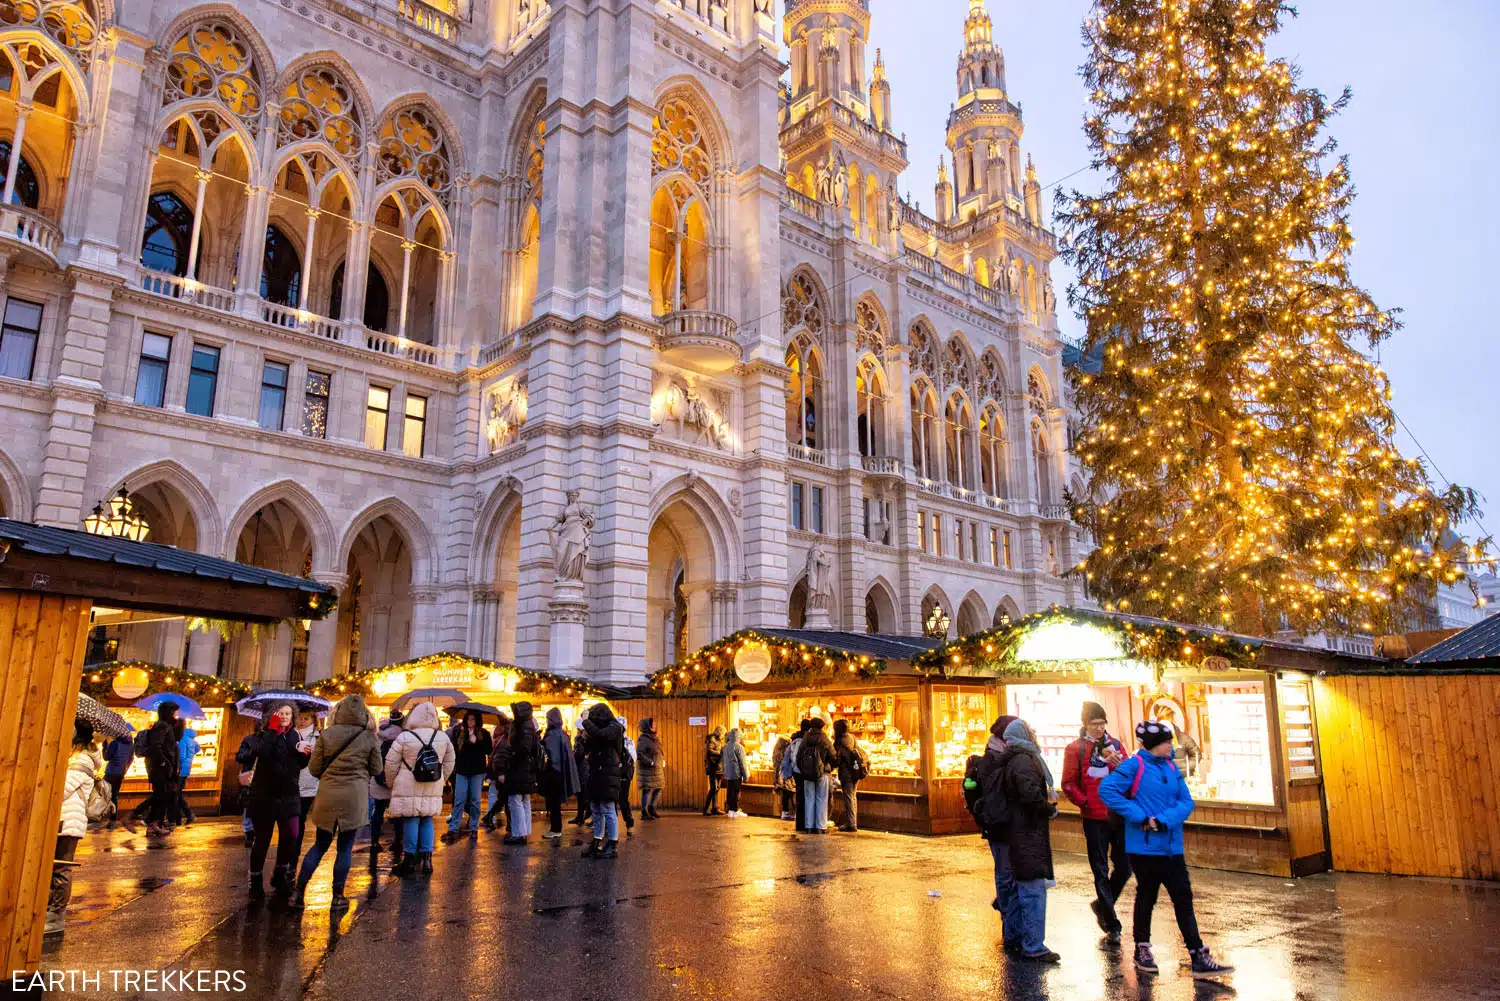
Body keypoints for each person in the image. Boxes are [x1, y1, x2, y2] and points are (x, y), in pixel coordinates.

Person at [1099, 720, 1235, 979]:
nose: (1170, 746)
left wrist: (1164, 820)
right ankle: (1142, 948)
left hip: (1172, 846)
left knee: (1183, 898)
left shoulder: (1171, 766)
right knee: (1147, 896)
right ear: (1153, 745)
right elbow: (1107, 790)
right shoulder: (1134, 765)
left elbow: (1186, 801)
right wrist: (1140, 816)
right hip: (1145, 847)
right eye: (1165, 742)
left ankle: (1197, 954)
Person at [292, 694, 382, 912]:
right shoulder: (369, 737)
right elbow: (377, 768)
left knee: (320, 845)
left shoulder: (327, 734)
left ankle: (298, 893)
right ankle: (338, 897)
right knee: (345, 847)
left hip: (328, 795)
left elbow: (314, 768)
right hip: (354, 796)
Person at [1062, 701, 1129, 942]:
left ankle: (1101, 905)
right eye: (1094, 724)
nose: (1099, 728)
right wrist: (1085, 802)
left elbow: (1129, 777)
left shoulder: (1116, 746)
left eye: (1102, 723)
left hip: (1117, 814)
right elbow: (1068, 783)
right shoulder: (1076, 749)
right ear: (1085, 724)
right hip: (1094, 818)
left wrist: (1122, 767)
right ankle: (1112, 924)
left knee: (1125, 866)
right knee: (1100, 870)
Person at [997, 718, 1060, 963]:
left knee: (1019, 887)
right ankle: (1033, 945)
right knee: (1032, 889)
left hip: (1018, 831)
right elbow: (1030, 795)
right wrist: (1048, 809)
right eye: (1030, 731)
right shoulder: (1023, 760)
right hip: (1027, 831)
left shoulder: (1014, 758)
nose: (1034, 734)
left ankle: (1013, 937)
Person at [238, 701, 312, 902]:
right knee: (262, 840)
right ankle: (255, 881)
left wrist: (305, 754)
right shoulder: (262, 736)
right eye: (281, 713)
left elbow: (299, 764)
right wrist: (272, 730)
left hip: (289, 794)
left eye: (288, 713)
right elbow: (264, 753)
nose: (285, 716)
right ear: (272, 715)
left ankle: (280, 874)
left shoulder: (295, 736)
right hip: (265, 796)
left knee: (291, 835)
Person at [964, 714, 1020, 953]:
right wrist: (983, 817)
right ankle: (1009, 923)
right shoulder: (990, 761)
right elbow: (974, 791)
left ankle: (1008, 912)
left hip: (1010, 824)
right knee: (1006, 874)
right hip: (998, 826)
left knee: (1011, 873)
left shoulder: (1009, 757)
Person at [384, 701, 456, 878]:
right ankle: (427, 860)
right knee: (427, 819)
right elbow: (450, 761)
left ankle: (409, 859)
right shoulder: (442, 737)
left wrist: (391, 783)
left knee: (411, 819)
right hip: (432, 783)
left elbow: (391, 764)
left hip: (408, 783)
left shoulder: (404, 737)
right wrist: (441, 778)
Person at [47, 720, 101, 935]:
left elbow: (61, 790)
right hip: (63, 820)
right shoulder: (75, 758)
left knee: (61, 868)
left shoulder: (81, 761)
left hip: (69, 822)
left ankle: (55, 916)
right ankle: (48, 911)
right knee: (53, 867)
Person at [123, 701, 180, 836]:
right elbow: (156, 746)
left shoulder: (166, 726)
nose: (177, 715)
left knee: (162, 795)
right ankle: (131, 816)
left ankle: (153, 825)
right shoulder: (162, 726)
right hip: (159, 768)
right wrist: (164, 763)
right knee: (160, 795)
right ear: (169, 712)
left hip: (162, 767)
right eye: (175, 712)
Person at [580, 703, 625, 858]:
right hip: (597, 772)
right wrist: (584, 738)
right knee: (596, 807)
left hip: (608, 772)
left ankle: (612, 843)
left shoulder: (615, 727)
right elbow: (588, 747)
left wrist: (586, 723)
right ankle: (597, 840)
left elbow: (603, 735)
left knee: (608, 807)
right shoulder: (600, 729)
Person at [444, 710, 493, 843]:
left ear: (477, 721)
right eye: (468, 719)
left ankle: (474, 828)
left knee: (475, 800)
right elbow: (456, 751)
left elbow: (488, 750)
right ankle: (453, 828)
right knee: (459, 800)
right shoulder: (461, 733)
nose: (470, 722)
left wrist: (476, 742)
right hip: (462, 770)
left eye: (473, 719)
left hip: (477, 771)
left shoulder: (484, 734)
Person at [368, 710, 404, 859]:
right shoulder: (403, 736)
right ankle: (397, 841)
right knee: (398, 812)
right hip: (397, 779)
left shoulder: (379, 735)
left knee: (378, 810)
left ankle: (374, 841)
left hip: (378, 777)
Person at [539, 707, 580, 839]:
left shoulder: (551, 735)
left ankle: (555, 829)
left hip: (553, 773)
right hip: (561, 773)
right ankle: (556, 828)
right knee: (556, 802)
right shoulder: (563, 734)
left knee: (553, 803)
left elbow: (552, 756)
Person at [504, 702, 541, 845]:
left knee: (516, 800)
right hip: (526, 768)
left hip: (519, 768)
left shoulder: (523, 726)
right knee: (524, 799)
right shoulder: (529, 725)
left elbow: (523, 748)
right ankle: (524, 831)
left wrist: (512, 752)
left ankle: (519, 833)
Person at [795, 717, 835, 834]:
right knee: (821, 798)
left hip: (807, 774)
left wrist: (804, 769)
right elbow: (833, 756)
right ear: (822, 727)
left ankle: (809, 826)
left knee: (809, 799)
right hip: (822, 773)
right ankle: (820, 826)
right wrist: (829, 766)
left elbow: (798, 756)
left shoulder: (805, 738)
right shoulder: (824, 738)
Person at [832, 718, 869, 833]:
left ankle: (851, 824)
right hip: (856, 771)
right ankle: (853, 822)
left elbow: (836, 759)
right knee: (853, 797)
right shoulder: (852, 737)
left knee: (848, 797)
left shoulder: (838, 741)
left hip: (846, 773)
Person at [294, 711, 321, 853]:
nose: (302, 721)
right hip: (290, 781)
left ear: (313, 719)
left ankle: (295, 852)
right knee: (290, 819)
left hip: (309, 782)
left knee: (300, 818)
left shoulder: (318, 737)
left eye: (306, 718)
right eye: (300, 718)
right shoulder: (291, 734)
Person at [484, 712, 512, 832]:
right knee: (506, 799)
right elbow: (501, 755)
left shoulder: (497, 735)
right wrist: (500, 772)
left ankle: (489, 816)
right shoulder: (505, 738)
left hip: (496, 771)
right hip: (502, 772)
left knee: (502, 798)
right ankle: (509, 825)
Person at [171, 721, 201, 828]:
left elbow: (181, 756)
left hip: (180, 770)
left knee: (176, 794)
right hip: (187, 769)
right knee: (177, 793)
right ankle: (178, 818)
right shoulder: (191, 739)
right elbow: (198, 748)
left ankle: (189, 814)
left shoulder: (182, 739)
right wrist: (190, 757)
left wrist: (176, 763)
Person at [101, 732, 133, 828]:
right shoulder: (131, 745)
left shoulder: (115, 743)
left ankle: (102, 817)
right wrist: (125, 769)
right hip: (120, 773)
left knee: (103, 794)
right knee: (114, 795)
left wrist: (104, 746)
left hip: (110, 773)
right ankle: (112, 819)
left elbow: (106, 757)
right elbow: (131, 759)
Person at [784, 719, 810, 829]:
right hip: (801, 772)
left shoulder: (796, 739)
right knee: (803, 797)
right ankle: (802, 823)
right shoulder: (802, 740)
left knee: (800, 797)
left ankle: (801, 823)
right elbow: (796, 758)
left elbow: (791, 757)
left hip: (796, 772)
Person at [636, 718, 665, 820]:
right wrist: (650, 762)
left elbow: (658, 751)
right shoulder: (643, 739)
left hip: (656, 769)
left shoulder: (655, 738)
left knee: (658, 787)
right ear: (647, 727)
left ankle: (651, 807)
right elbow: (639, 754)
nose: (655, 726)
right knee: (647, 790)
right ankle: (644, 812)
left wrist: (662, 760)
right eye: (652, 725)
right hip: (647, 769)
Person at [720, 727, 748, 818]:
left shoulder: (725, 747)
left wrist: (724, 771)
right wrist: (745, 775)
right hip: (736, 773)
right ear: (739, 736)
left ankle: (730, 811)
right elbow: (742, 763)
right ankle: (735, 810)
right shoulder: (739, 747)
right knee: (736, 791)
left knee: (730, 791)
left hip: (727, 773)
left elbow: (722, 761)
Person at [616, 716, 636, 835]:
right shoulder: (629, 741)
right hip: (624, 775)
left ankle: (611, 826)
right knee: (623, 800)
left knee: (614, 800)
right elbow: (634, 758)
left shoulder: (613, 740)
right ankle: (629, 825)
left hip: (615, 774)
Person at [569, 721, 591, 827]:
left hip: (582, 770)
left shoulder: (580, 739)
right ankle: (580, 816)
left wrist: (572, 756)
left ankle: (583, 815)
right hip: (584, 769)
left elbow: (579, 754)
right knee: (581, 795)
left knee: (582, 795)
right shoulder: (586, 738)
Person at [770, 733, 794, 821]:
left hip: (779, 774)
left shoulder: (776, 749)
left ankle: (785, 812)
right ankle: (790, 812)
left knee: (785, 794)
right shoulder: (787, 748)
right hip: (787, 774)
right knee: (790, 793)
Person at [702, 725, 725, 815]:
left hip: (719, 767)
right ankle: (705, 809)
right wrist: (720, 753)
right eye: (723, 733)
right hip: (713, 767)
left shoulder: (719, 740)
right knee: (713, 789)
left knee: (717, 788)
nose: (723, 736)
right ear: (720, 732)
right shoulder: (712, 739)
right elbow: (709, 751)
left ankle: (715, 808)